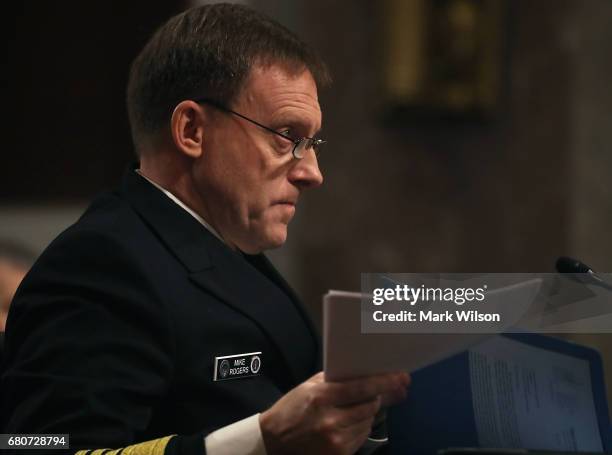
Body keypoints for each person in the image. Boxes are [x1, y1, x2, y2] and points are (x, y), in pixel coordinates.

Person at [1, 4, 410, 455]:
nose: (312, 172)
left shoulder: (228, 248)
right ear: (192, 129)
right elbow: (38, 448)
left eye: (310, 143)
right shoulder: (100, 264)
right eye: (287, 137)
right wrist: (262, 440)